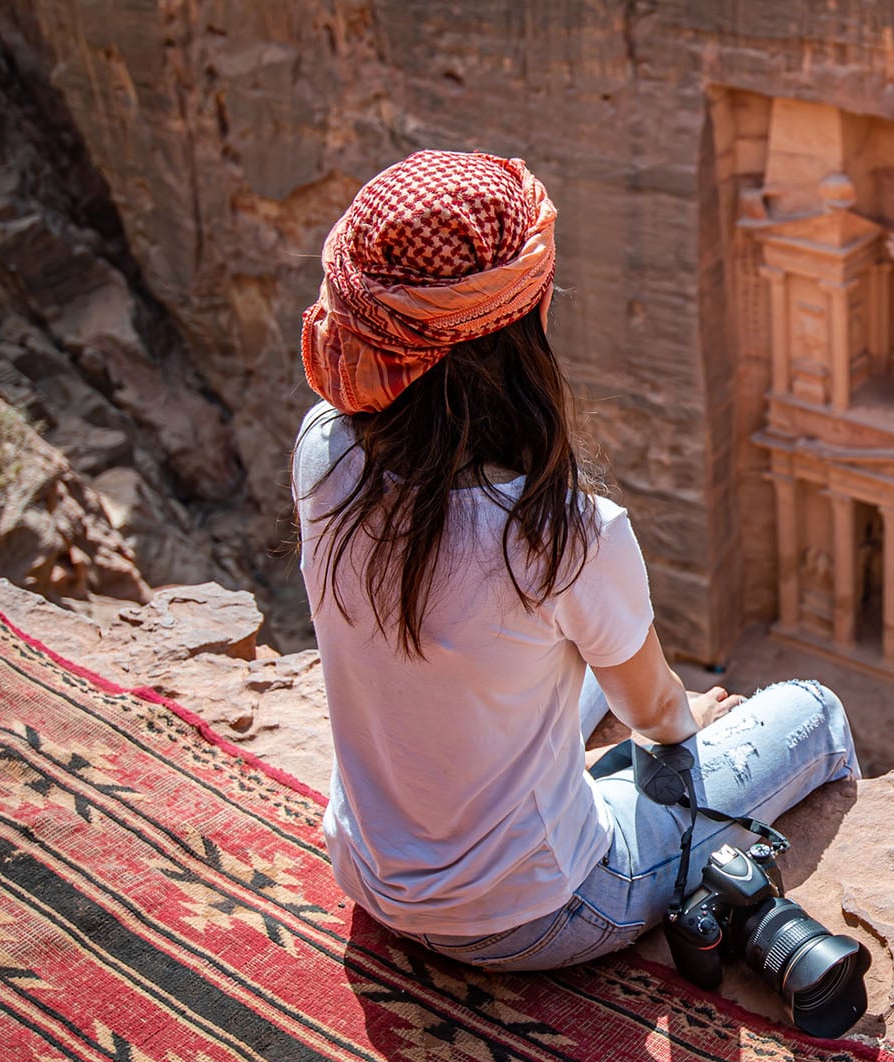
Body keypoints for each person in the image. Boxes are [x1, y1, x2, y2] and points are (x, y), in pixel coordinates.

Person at [291, 149, 858, 971]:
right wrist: (677, 724)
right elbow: (658, 716)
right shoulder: (562, 533)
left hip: (369, 875)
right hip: (539, 911)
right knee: (815, 714)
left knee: (551, 659)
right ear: (526, 324)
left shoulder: (323, 451)